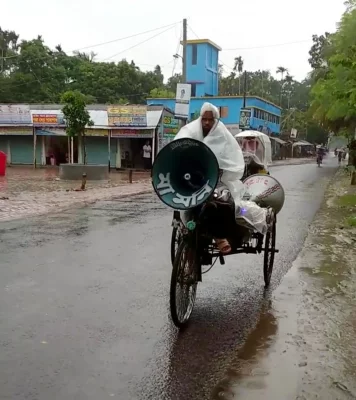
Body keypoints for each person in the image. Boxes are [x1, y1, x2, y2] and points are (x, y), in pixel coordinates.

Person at [174, 102, 270, 255]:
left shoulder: (223, 135)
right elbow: (178, 151)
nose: (206, 122)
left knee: (219, 204)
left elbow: (230, 160)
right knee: (186, 202)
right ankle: (189, 233)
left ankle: (219, 236)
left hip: (217, 181)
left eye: (210, 119)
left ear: (215, 120)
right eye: (204, 119)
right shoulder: (190, 131)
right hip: (193, 179)